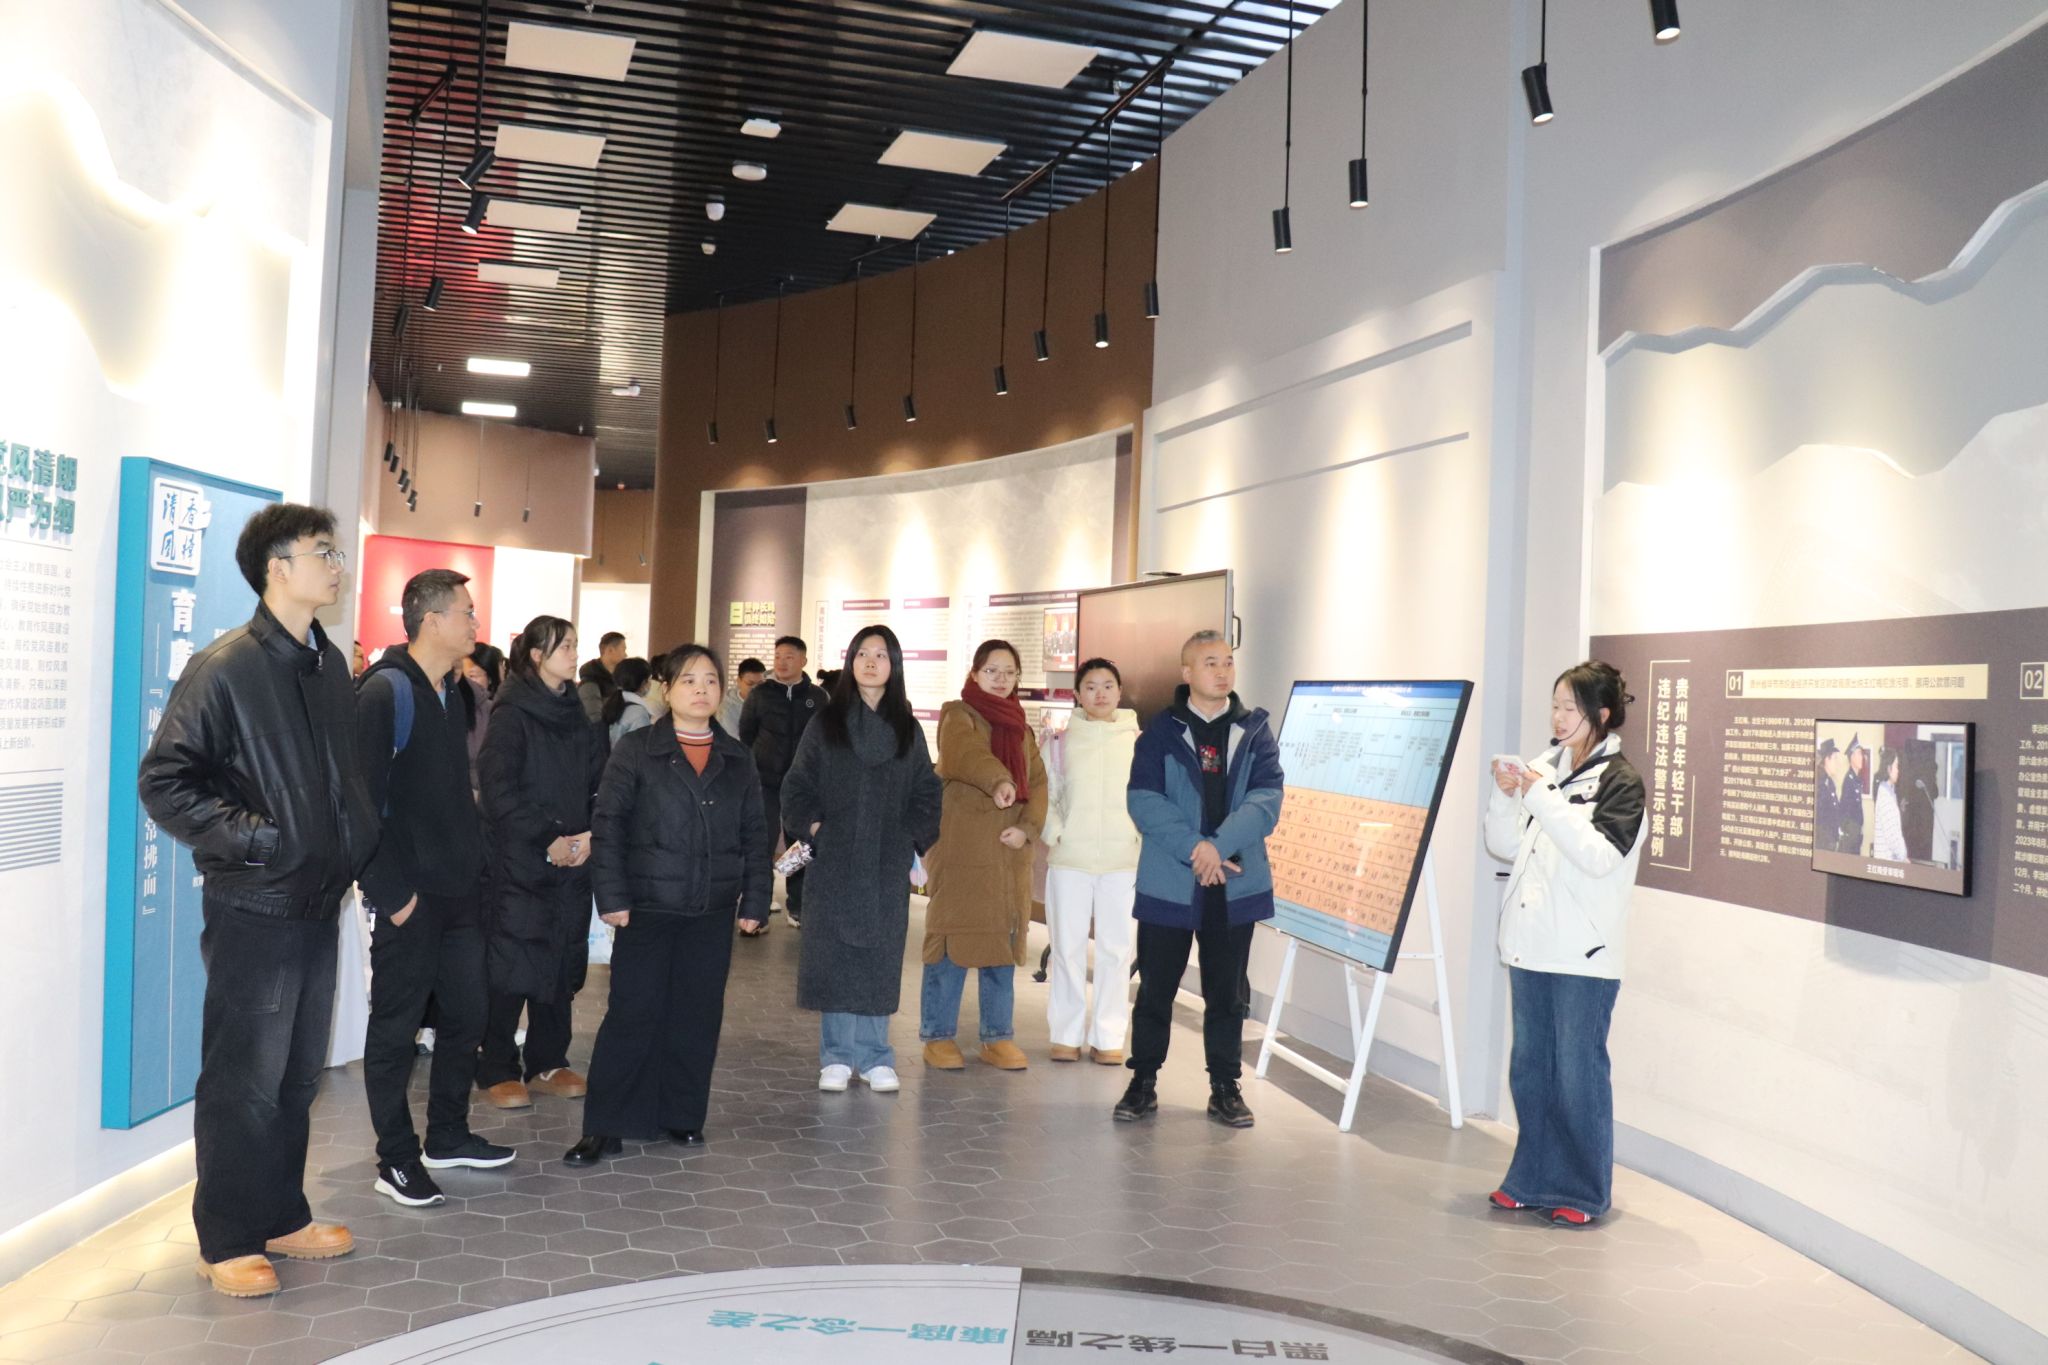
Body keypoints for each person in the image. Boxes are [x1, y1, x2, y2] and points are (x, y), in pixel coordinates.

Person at [138, 504, 377, 1298]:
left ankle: (280, 1213)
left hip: (318, 902)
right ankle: (229, 1236)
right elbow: (164, 779)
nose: (337, 565)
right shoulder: (227, 666)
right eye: (322, 552)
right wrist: (257, 839)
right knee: (244, 1077)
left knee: (297, 1075)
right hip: (257, 904)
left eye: (336, 552)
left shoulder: (327, 663)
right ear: (277, 567)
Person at [567, 644, 770, 1164]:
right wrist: (612, 897)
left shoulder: (737, 757)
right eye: (688, 680)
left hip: (712, 908)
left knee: (696, 1015)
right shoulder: (637, 749)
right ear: (667, 689)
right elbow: (609, 826)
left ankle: (681, 1115)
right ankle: (606, 1124)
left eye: (710, 680)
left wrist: (756, 899)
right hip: (647, 906)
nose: (701, 689)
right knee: (632, 1013)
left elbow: (754, 832)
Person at [358, 569, 514, 1209]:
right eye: (466, 612)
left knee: (467, 1015)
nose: (475, 623)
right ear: (431, 620)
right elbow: (360, 806)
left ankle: (446, 1134)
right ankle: (395, 1158)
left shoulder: (454, 692)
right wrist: (393, 895)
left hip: (459, 894)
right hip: (410, 899)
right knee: (395, 1031)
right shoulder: (385, 692)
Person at [1483, 661, 1646, 1227]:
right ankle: (1530, 1180)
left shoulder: (1620, 781)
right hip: (1530, 944)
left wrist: (1542, 796)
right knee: (1531, 1070)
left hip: (1584, 954)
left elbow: (1599, 856)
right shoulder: (1546, 769)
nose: (1556, 717)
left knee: (1578, 1074)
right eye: (1554, 705)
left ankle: (1581, 1191)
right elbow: (1504, 845)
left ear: (1601, 714)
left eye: (1569, 708)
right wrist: (1508, 796)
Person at [1116, 630, 1283, 1129]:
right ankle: (1143, 1080)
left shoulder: (1254, 731)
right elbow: (1144, 800)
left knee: (1227, 995)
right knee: (1155, 990)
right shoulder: (1161, 731)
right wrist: (1197, 849)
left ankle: (1225, 1087)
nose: (1223, 670)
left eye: (1228, 661)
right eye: (1211, 662)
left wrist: (1218, 846)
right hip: (1172, 879)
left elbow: (1266, 800)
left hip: (1235, 881)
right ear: (1187, 672)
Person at [779, 625, 944, 1093]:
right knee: (834, 954)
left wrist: (910, 837)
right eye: (862, 654)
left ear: (895, 665)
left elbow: (927, 790)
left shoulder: (907, 729)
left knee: (879, 954)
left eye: (881, 655)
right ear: (851, 662)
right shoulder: (825, 724)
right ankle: (835, 1056)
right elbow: (797, 783)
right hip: (835, 857)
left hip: (885, 859)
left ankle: (875, 1056)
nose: (871, 662)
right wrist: (815, 828)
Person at [475, 616, 609, 1112]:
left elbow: (600, 780)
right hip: (520, 860)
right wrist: (545, 837)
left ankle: (548, 1060)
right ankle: (496, 1065)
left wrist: (590, 833)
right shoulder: (511, 713)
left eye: (575, 644)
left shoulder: (579, 711)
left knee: (561, 958)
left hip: (572, 857)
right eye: (564, 646)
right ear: (536, 655)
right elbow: (498, 789)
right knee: (511, 962)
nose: (574, 654)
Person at [921, 640, 1046, 1072]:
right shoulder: (958, 715)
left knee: (1001, 945)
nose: (1000, 679)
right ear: (975, 673)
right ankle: (937, 1035)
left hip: (1009, 856)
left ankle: (997, 1037)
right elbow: (965, 754)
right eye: (992, 670)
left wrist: (1027, 828)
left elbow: (1039, 784)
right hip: (963, 849)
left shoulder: (1022, 729)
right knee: (951, 941)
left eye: (1009, 672)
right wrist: (999, 781)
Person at [1041, 658, 1141, 1065]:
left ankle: (1108, 1036)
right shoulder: (1060, 741)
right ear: (1077, 694)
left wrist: (1138, 836)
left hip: (1123, 860)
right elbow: (1045, 794)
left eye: (1108, 686)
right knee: (1067, 948)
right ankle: (1065, 1034)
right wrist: (1056, 833)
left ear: (1120, 692)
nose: (1100, 694)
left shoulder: (1139, 741)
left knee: (1117, 951)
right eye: (1091, 686)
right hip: (1070, 860)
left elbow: (1151, 796)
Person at [740, 635, 829, 931]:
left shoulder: (817, 697)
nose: (782, 662)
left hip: (803, 786)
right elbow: (746, 734)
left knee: (800, 845)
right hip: (764, 782)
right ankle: (759, 908)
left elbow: (825, 741)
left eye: (789, 656)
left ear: (803, 660)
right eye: (778, 656)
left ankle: (797, 905)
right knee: (762, 843)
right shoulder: (760, 694)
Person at [577, 631, 628, 722]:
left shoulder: (617, 679)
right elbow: (594, 719)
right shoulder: (590, 682)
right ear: (610, 650)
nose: (626, 655)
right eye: (623, 649)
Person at [604, 657, 655, 745]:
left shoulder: (615, 702)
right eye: (649, 679)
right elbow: (640, 748)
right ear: (643, 683)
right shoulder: (638, 712)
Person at [1873, 746, 1909, 862]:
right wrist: (1903, 856)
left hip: (1891, 859)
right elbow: (1892, 836)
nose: (1898, 770)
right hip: (1887, 862)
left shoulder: (1890, 792)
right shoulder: (1885, 797)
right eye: (1896, 766)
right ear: (1889, 769)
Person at [1815, 739, 1851, 854]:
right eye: (1835, 758)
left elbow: (1834, 811)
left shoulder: (1830, 783)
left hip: (1831, 843)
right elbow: (1819, 820)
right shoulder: (1819, 784)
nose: (1837, 763)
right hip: (1823, 845)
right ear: (1827, 760)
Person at [717, 657, 767, 733]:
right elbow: (732, 738)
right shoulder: (726, 709)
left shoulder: (770, 701)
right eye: (750, 684)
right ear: (738, 681)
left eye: (760, 684)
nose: (756, 689)